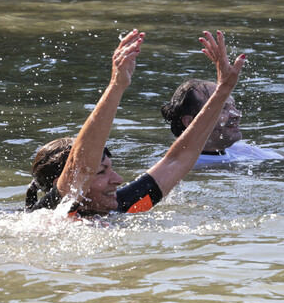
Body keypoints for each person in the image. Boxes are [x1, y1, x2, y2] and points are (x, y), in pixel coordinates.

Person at [24, 30, 246, 216]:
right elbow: (80, 165)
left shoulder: (122, 205)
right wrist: (116, 86)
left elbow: (178, 161)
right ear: (60, 183)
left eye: (110, 169)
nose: (118, 180)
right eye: (101, 172)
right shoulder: (53, 212)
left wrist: (223, 90)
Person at [160, 76, 282, 166]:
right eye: (222, 108)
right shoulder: (181, 169)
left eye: (234, 106)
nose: (236, 115)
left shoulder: (240, 150)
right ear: (190, 122)